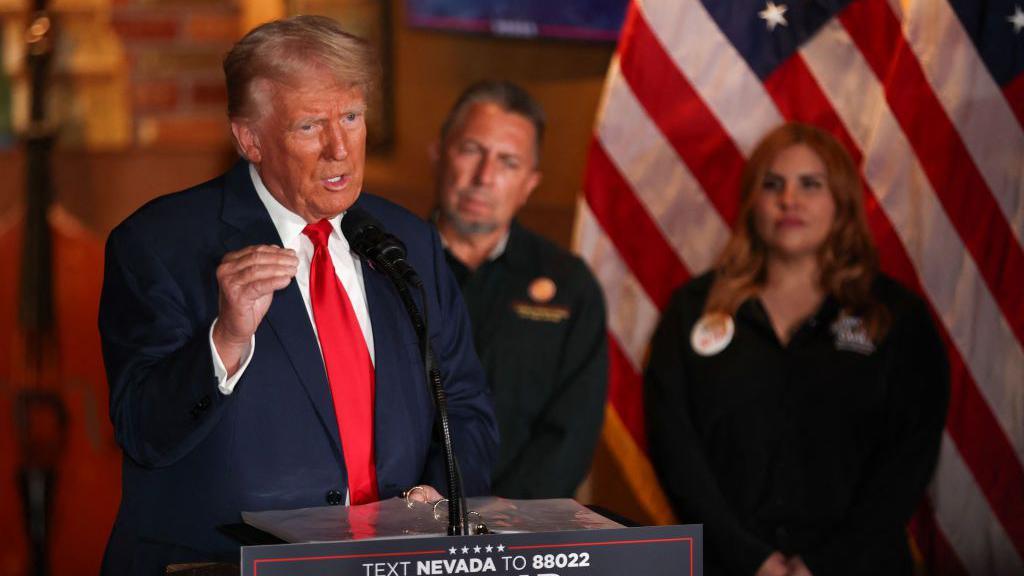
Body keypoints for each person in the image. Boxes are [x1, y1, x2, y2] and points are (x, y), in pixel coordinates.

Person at [98, 16, 498, 574]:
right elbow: (142, 432)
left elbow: (467, 407)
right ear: (250, 139)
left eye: (352, 118)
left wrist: (433, 497)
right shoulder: (160, 245)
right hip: (223, 565)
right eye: (310, 126)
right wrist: (226, 338)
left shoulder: (408, 242)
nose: (339, 149)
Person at [644, 123, 949, 576]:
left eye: (811, 184)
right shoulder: (692, 311)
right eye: (773, 185)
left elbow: (908, 461)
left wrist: (825, 563)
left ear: (841, 203)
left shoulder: (896, 319)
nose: (789, 200)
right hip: (720, 564)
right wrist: (751, 559)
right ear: (752, 202)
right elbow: (675, 449)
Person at [432, 81, 607, 498]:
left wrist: (500, 526)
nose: (485, 177)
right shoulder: (379, 266)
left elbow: (571, 432)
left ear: (530, 183)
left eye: (508, 162)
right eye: (472, 150)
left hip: (519, 537)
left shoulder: (570, 286)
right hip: (395, 526)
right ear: (439, 153)